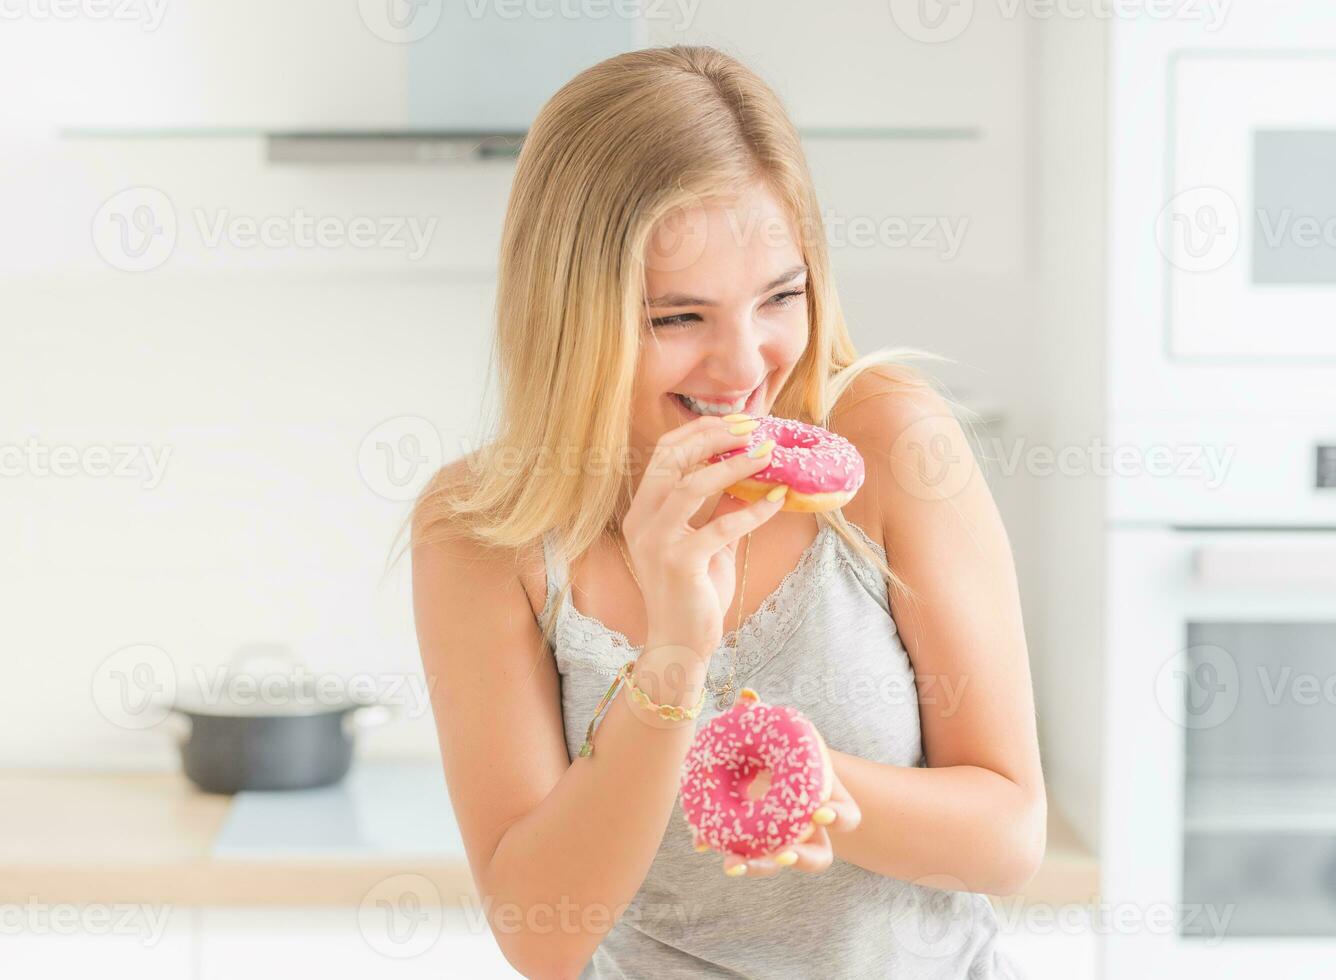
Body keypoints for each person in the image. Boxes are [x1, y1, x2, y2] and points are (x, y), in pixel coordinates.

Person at [402, 45, 1044, 979]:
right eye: (677, 318)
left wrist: (819, 783)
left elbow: (1010, 835)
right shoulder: (480, 532)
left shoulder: (895, 445)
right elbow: (541, 936)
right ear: (569, 310)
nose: (746, 369)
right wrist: (673, 654)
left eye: (780, 297)